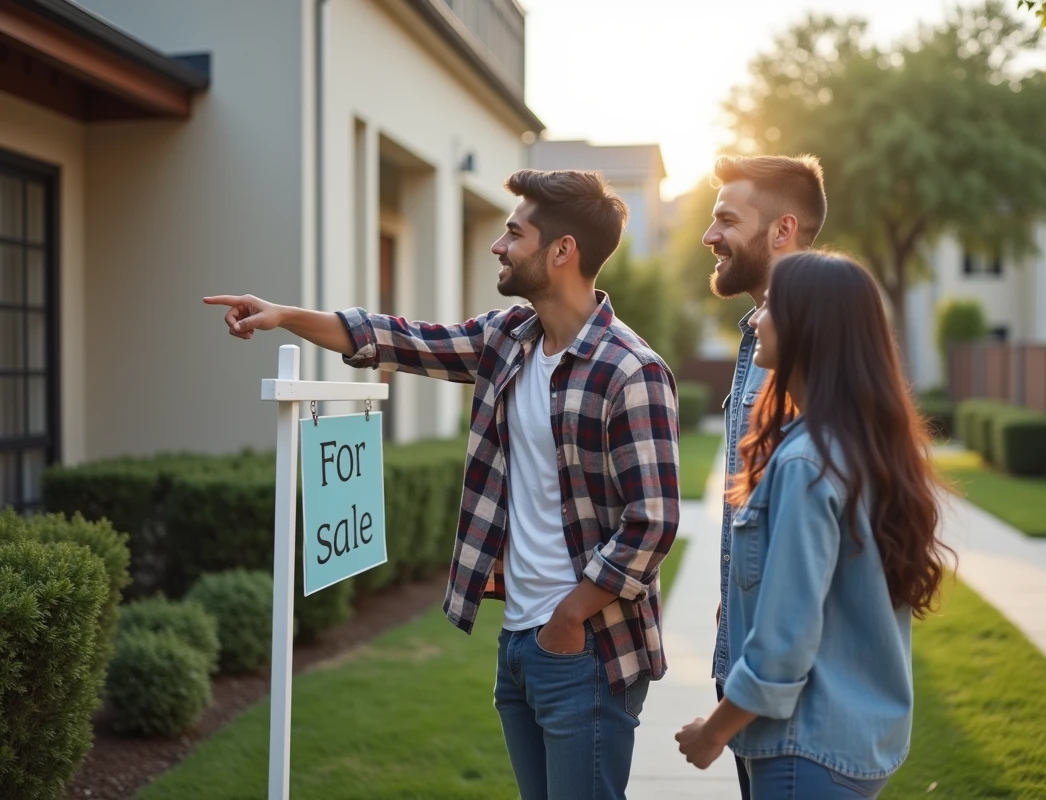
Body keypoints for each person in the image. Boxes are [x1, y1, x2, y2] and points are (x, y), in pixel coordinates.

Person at [204, 169, 680, 800]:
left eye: (513, 233)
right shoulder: (509, 339)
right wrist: (283, 316)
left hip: (586, 649)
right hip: (520, 643)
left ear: (562, 251)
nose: (498, 246)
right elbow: (399, 340)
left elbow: (653, 521)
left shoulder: (631, 371)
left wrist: (569, 617)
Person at [673, 251, 953, 798]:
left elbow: (784, 645)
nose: (755, 320)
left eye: (772, 306)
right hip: (854, 746)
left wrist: (713, 732)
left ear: (809, 325)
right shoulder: (860, 444)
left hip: (804, 750)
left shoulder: (807, 462)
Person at [702, 153, 827, 796]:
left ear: (781, 231)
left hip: (797, 700)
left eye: (726, 218)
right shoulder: (757, 339)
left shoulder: (813, 348)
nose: (709, 235)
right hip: (748, 667)